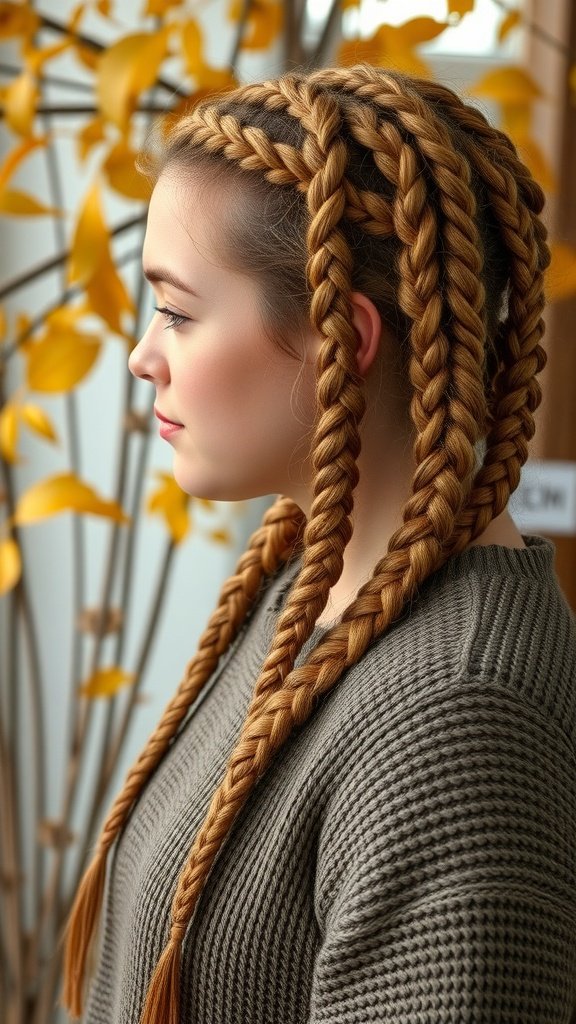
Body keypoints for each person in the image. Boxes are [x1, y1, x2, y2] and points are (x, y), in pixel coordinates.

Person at [62, 64, 576, 1024]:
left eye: (177, 312)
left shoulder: (457, 720)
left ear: (345, 336)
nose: (142, 355)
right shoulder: (309, 582)